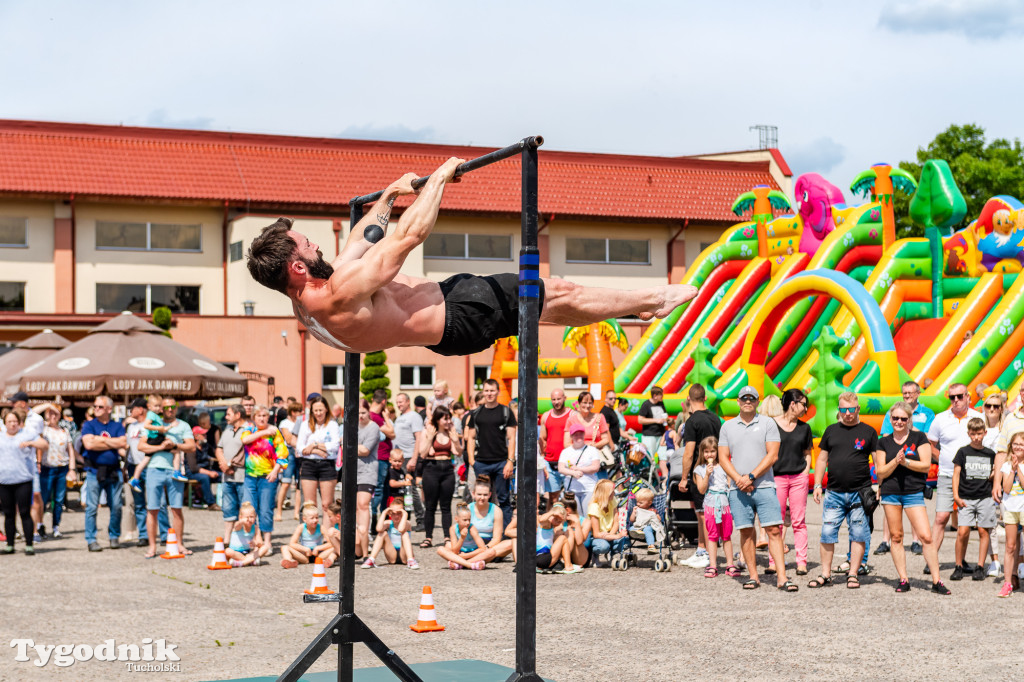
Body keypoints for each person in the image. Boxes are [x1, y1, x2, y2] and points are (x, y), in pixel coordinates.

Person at [245, 159, 698, 357]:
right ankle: (654, 298)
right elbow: (408, 237)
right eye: (307, 246)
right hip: (458, 314)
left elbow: (361, 242)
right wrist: (441, 175)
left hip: (450, 311)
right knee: (556, 291)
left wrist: (387, 195)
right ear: (296, 267)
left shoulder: (309, 299)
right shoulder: (339, 294)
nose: (316, 245)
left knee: (548, 308)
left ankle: (636, 306)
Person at [717, 386, 795, 592]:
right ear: (738, 401)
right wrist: (738, 479)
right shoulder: (727, 426)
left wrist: (750, 476)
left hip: (764, 485)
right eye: (744, 398)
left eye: (752, 398)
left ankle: (782, 577)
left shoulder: (768, 423)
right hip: (738, 488)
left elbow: (773, 455)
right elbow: (723, 457)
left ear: (757, 401)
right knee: (746, 532)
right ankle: (753, 576)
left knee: (773, 531)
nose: (748, 401)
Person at [874, 401, 948, 594]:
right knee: (896, 536)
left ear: (909, 420)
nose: (899, 421)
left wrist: (905, 462)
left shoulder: (919, 437)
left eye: (903, 418)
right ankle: (903, 579)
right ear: (890, 419)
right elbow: (880, 472)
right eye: (895, 418)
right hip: (891, 493)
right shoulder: (883, 442)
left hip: (913, 493)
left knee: (926, 536)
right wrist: (895, 462)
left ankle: (936, 580)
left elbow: (925, 465)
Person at [808, 392, 876, 590]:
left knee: (858, 533)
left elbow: (878, 460)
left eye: (851, 409)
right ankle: (825, 574)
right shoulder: (831, 431)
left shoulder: (869, 432)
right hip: (834, 493)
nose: (847, 413)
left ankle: (853, 574)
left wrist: (880, 486)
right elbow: (821, 460)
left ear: (858, 409)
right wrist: (818, 484)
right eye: (843, 410)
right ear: (839, 410)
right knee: (827, 533)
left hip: (859, 493)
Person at [927, 383, 982, 572]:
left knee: (965, 522)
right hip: (946, 475)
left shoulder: (978, 417)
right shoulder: (940, 419)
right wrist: (940, 457)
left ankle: (961, 561)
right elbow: (930, 443)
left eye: (960, 396)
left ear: (968, 396)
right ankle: (932, 561)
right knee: (941, 517)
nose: (956, 400)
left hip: (970, 478)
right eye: (952, 397)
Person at [878, 381, 936, 556]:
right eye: (904, 393)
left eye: (910, 393)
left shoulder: (927, 413)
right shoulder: (893, 412)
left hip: (915, 465)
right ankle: (885, 540)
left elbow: (928, 437)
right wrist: (909, 433)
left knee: (914, 504)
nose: (907, 395)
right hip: (893, 462)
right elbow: (887, 436)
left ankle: (915, 541)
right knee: (890, 504)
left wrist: (911, 432)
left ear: (918, 393)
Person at [137, 398, 196, 558]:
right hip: (154, 469)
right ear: (161, 409)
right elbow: (141, 446)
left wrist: (175, 446)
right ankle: (152, 547)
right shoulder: (154, 422)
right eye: (167, 407)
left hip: (174, 470)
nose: (170, 410)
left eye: (173, 407)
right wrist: (161, 447)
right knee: (153, 509)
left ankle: (179, 544)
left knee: (177, 508)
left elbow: (191, 446)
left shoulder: (183, 425)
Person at [769, 388, 813, 576]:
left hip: (798, 478)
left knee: (798, 521)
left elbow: (808, 454)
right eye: (804, 404)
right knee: (775, 522)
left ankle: (801, 562)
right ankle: (774, 562)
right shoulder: (771, 425)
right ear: (792, 404)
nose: (806, 408)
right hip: (777, 477)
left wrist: (804, 474)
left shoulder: (805, 428)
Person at [678, 383, 722, 568]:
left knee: (703, 514)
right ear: (705, 398)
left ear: (689, 399)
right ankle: (701, 548)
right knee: (702, 512)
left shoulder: (692, 421)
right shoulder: (716, 418)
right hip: (717, 468)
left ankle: (706, 554)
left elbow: (689, 452)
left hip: (700, 470)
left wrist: (683, 477)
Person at [951, 418, 998, 581]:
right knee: (962, 532)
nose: (976, 437)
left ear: (985, 433)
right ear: (968, 434)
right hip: (966, 497)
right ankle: (958, 565)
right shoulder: (962, 452)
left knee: (983, 531)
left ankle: (980, 566)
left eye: (979, 434)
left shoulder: (991, 454)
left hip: (985, 497)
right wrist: (956, 496)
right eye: (973, 434)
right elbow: (956, 474)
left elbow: (995, 473)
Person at [464, 379, 517, 525]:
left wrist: (510, 462)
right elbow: (471, 437)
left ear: (498, 392)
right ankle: (482, 529)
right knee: (481, 498)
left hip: (501, 463)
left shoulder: (506, 412)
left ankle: (505, 534)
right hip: (481, 463)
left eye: (492, 391)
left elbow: (512, 439)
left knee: (504, 499)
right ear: (483, 392)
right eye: (486, 391)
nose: (489, 394)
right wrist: (471, 461)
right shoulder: (476, 414)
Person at [240, 404, 288, 555]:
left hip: (268, 476)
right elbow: (245, 440)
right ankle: (255, 540)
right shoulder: (250, 429)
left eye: (264, 416)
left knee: (266, 509)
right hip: (250, 476)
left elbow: (283, 454)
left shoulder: (275, 432)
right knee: (250, 509)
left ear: (268, 417)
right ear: (254, 417)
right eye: (258, 416)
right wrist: (264, 432)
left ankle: (267, 542)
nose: (261, 418)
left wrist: (275, 471)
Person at [81, 396, 127, 552]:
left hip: (114, 471)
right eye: (95, 406)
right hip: (94, 471)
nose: (96, 409)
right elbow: (88, 444)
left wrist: (99, 440)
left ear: (109, 409)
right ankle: (91, 539)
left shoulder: (117, 425)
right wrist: (111, 442)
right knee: (92, 507)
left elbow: (123, 443)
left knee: (116, 506)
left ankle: (114, 536)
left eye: (100, 406)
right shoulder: (89, 425)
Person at [1, 409, 47, 554]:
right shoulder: (1, 436)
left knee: (25, 512)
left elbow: (44, 445)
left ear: (19, 422)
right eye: (9, 422)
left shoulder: (26, 434)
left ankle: (29, 544)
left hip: (23, 479)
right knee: (8, 513)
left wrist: (31, 443)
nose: (12, 424)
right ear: (5, 423)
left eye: (15, 421)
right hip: (4, 480)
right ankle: (10, 544)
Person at [124, 398, 169, 547]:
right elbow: (129, 446)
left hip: (151, 465)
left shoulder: (152, 425)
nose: (131, 411)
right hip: (134, 466)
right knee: (139, 504)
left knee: (159, 502)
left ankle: (165, 534)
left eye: (133, 408)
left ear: (141, 409)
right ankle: (143, 535)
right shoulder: (131, 426)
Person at [436, 475, 505, 569]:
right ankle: (471, 563)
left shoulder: (496, 510)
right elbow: (458, 530)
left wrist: (485, 548)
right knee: (446, 545)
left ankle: (459, 562)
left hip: (487, 544)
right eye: (479, 494)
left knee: (506, 545)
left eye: (485, 495)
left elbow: (497, 538)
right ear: (473, 494)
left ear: (490, 495)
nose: (482, 498)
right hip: (467, 542)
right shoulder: (468, 509)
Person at [416, 405, 460, 549]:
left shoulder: (451, 432)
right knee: (430, 506)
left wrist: (455, 440)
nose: (448, 421)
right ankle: (428, 537)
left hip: (447, 469)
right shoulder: (427, 431)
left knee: (446, 506)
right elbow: (422, 453)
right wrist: (429, 438)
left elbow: (458, 452)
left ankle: (447, 537)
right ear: (438, 419)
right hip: (431, 469)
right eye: (445, 418)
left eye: (449, 418)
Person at [693, 436, 736, 578]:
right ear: (702, 453)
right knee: (712, 535)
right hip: (710, 504)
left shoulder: (724, 465)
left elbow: (730, 483)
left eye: (712, 451)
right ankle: (712, 565)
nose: (709, 454)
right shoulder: (699, 469)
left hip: (724, 504)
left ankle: (730, 564)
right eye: (706, 451)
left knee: (727, 535)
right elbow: (701, 489)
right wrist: (707, 474)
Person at [294, 396, 341, 528]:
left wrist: (313, 445)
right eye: (316, 410)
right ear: (312, 411)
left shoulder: (332, 425)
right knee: (310, 504)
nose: (318, 413)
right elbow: (300, 447)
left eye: (321, 410)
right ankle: (311, 536)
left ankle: (327, 535)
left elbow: (334, 446)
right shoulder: (305, 425)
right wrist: (319, 450)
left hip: (327, 466)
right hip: (309, 465)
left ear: (326, 409)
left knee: (327, 504)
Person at [37, 405, 75, 539]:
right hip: (47, 468)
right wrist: (47, 405)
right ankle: (39, 525)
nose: (53, 416)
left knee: (59, 500)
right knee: (43, 499)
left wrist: (72, 469)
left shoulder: (64, 431)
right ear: (47, 415)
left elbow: (70, 450)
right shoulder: (42, 429)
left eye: (56, 414)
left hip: (62, 468)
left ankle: (56, 526)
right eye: (50, 413)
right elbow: (33, 414)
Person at [216, 405, 248, 543]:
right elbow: (219, 449)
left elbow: (246, 452)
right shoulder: (227, 430)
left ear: (238, 415)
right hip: (227, 477)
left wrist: (230, 465)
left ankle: (245, 539)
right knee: (228, 509)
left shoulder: (248, 430)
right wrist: (224, 465)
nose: (226, 417)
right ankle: (228, 540)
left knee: (245, 509)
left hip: (243, 477)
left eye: (229, 414)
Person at [392, 393, 425, 527]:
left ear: (408, 401)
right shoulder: (401, 417)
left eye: (401, 402)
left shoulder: (414, 417)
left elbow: (419, 437)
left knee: (410, 488)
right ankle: (406, 517)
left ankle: (421, 519)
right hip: (400, 457)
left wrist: (414, 458)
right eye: (397, 402)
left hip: (408, 457)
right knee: (405, 490)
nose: (399, 404)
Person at [997, 432, 1024, 597]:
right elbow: (1006, 488)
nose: (1018, 447)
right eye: (1016, 444)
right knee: (1010, 546)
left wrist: (1019, 469)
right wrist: (1012, 469)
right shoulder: (1006, 465)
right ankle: (1007, 583)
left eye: (1022, 444)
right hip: (1010, 508)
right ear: (1011, 446)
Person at [355, 399, 381, 558]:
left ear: (368, 412)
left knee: (363, 503)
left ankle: (365, 534)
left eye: (363, 413)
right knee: (355, 505)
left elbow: (365, 450)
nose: (360, 416)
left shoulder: (374, 428)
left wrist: (349, 445)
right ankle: (358, 538)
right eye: (358, 413)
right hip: (353, 471)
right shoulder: (352, 426)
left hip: (368, 470)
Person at [363, 497, 420, 569]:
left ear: (403, 513)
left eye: (399, 513)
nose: (396, 516)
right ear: (390, 514)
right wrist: (384, 513)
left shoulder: (407, 523)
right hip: (392, 555)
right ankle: (371, 559)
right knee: (382, 533)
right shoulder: (388, 523)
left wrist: (405, 515)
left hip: (404, 555)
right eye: (393, 513)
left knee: (404, 534)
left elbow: (401, 529)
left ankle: (411, 560)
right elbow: (378, 529)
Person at [557, 423, 602, 512]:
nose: (578, 436)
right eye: (575, 434)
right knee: (576, 515)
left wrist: (579, 469)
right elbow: (561, 468)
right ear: (571, 436)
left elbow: (596, 467)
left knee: (588, 515)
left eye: (580, 433)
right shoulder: (566, 451)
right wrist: (573, 473)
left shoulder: (592, 450)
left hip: (589, 488)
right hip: (571, 489)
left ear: (584, 434)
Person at [540, 388, 572, 510]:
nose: (556, 402)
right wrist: (542, 459)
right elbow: (542, 438)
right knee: (553, 497)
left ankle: (569, 525)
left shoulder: (572, 415)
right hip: (550, 462)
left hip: (568, 463)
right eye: (553, 399)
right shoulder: (546, 416)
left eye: (559, 399)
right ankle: (551, 525)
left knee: (570, 497)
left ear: (565, 398)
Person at [367, 389, 395, 521]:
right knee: (378, 489)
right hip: (380, 458)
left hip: (383, 457)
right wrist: (388, 418)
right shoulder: (375, 417)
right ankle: (373, 517)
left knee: (383, 490)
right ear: (384, 401)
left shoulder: (373, 416)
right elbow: (392, 434)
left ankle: (382, 517)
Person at [280, 501, 334, 569]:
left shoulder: (321, 527)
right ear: (304, 519)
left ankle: (329, 560)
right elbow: (292, 543)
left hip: (319, 555)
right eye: (312, 518)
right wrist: (305, 549)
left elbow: (331, 543)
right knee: (285, 547)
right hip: (304, 556)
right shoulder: (301, 527)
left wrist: (318, 548)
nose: (315, 520)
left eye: (317, 517)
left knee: (335, 547)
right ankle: (289, 561)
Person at [587, 478, 626, 567]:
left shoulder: (613, 501)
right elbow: (596, 534)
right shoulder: (594, 507)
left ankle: (611, 554)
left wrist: (611, 536)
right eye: (612, 491)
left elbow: (616, 522)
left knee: (625, 542)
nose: (615, 493)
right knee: (603, 546)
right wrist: (616, 536)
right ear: (606, 494)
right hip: (598, 537)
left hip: (609, 533)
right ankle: (595, 554)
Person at [275, 401, 303, 522]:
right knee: (285, 483)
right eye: (297, 411)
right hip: (289, 452)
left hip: (300, 452)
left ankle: (296, 512)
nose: (299, 413)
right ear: (292, 412)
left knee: (299, 485)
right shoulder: (284, 423)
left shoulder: (302, 422)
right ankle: (279, 512)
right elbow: (288, 438)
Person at [186, 412, 221, 509]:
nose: (205, 436)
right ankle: (211, 504)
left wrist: (222, 460)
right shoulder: (191, 448)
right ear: (196, 436)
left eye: (205, 434)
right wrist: (209, 473)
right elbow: (193, 468)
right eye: (203, 435)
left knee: (223, 476)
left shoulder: (205, 445)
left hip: (205, 470)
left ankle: (226, 501)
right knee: (205, 478)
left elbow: (215, 452)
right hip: (193, 473)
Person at [563, 391, 611, 458]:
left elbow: (606, 439)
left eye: (590, 403)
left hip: (595, 457)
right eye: (585, 403)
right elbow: (566, 444)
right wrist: (584, 446)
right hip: (577, 457)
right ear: (579, 403)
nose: (587, 405)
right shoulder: (571, 420)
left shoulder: (599, 417)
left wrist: (595, 446)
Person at [637, 386, 669, 481]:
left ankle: (665, 483)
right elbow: (640, 420)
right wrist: (656, 420)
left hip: (661, 435)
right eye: (660, 395)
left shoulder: (661, 403)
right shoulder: (646, 405)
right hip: (649, 436)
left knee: (663, 457)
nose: (662, 397)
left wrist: (665, 420)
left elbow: (664, 414)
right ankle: (650, 480)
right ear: (655, 396)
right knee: (650, 458)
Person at [224, 501, 266, 567]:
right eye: (247, 517)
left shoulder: (255, 528)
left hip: (247, 553)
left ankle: (242, 563)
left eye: (252, 517)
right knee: (228, 551)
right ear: (241, 517)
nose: (249, 519)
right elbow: (236, 525)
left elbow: (260, 543)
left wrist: (255, 543)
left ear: (255, 517)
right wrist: (242, 521)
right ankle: (250, 561)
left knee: (265, 547)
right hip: (235, 553)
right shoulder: (239, 526)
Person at [629, 488, 665, 554]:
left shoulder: (652, 510)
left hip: (649, 527)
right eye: (637, 502)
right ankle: (638, 533)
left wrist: (655, 515)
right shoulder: (637, 509)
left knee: (647, 529)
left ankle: (651, 545)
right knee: (631, 529)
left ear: (649, 503)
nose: (638, 504)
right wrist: (633, 512)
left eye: (640, 503)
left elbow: (658, 520)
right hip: (638, 526)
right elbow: (631, 520)